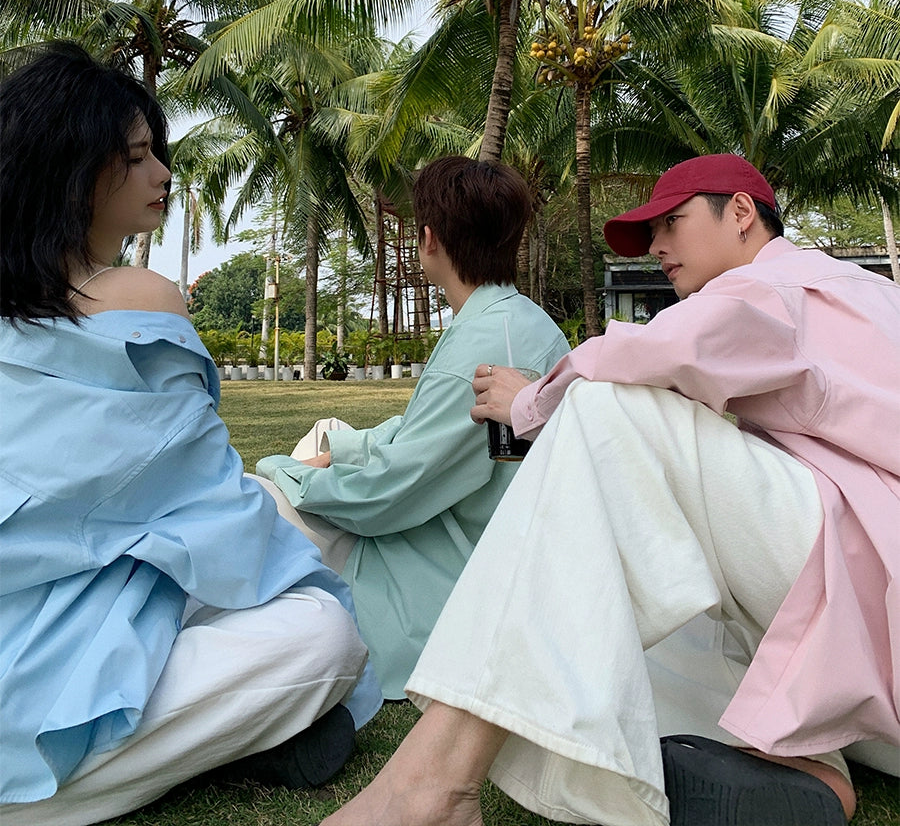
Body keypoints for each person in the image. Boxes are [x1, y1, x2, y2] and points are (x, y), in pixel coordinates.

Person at [320, 153, 899, 826]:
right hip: (869, 650)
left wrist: (532, 401)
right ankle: (800, 764)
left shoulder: (782, 285)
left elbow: (659, 352)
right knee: (626, 603)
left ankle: (435, 788)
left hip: (875, 587)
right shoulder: (869, 294)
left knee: (606, 408)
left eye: (671, 223)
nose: (656, 247)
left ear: (742, 213)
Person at [0, 44, 382, 826]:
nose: (162, 174)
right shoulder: (137, 295)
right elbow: (211, 509)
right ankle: (71, 783)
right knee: (323, 635)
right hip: (73, 616)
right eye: (137, 157)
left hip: (39, 599)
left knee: (276, 513)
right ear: (73, 172)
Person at [255, 155, 570, 699]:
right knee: (328, 431)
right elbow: (427, 432)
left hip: (450, 567)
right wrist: (341, 451)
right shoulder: (522, 320)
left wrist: (289, 473)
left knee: (262, 499)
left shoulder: (477, 347)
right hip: (488, 534)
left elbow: (388, 495)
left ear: (428, 239)